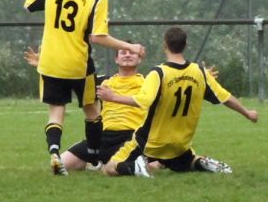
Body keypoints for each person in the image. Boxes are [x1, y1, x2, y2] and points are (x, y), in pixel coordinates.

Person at [23, 0, 145, 176]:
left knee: (56, 112)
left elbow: (29, 5)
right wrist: (130, 47)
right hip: (77, 64)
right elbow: (98, 37)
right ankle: (95, 154)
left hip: (49, 62)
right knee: (91, 110)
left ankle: (54, 153)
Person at [25, 46, 226, 175]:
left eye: (132, 53)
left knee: (148, 165)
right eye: (123, 52)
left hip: (131, 137)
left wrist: (203, 76)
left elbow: (178, 85)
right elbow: (71, 81)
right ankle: (102, 164)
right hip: (103, 136)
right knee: (63, 165)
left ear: (140, 59)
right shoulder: (103, 81)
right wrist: (42, 65)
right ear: (116, 60)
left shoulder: (150, 80)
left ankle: (130, 164)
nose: (127, 54)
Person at [98, 26, 258, 177]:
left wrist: (113, 97)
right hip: (180, 144)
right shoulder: (200, 72)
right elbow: (226, 97)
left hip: (151, 142)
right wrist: (247, 113)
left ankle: (134, 167)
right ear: (185, 45)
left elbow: (143, 101)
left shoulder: (159, 73)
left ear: (165, 45)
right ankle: (200, 162)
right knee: (186, 163)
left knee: (109, 168)